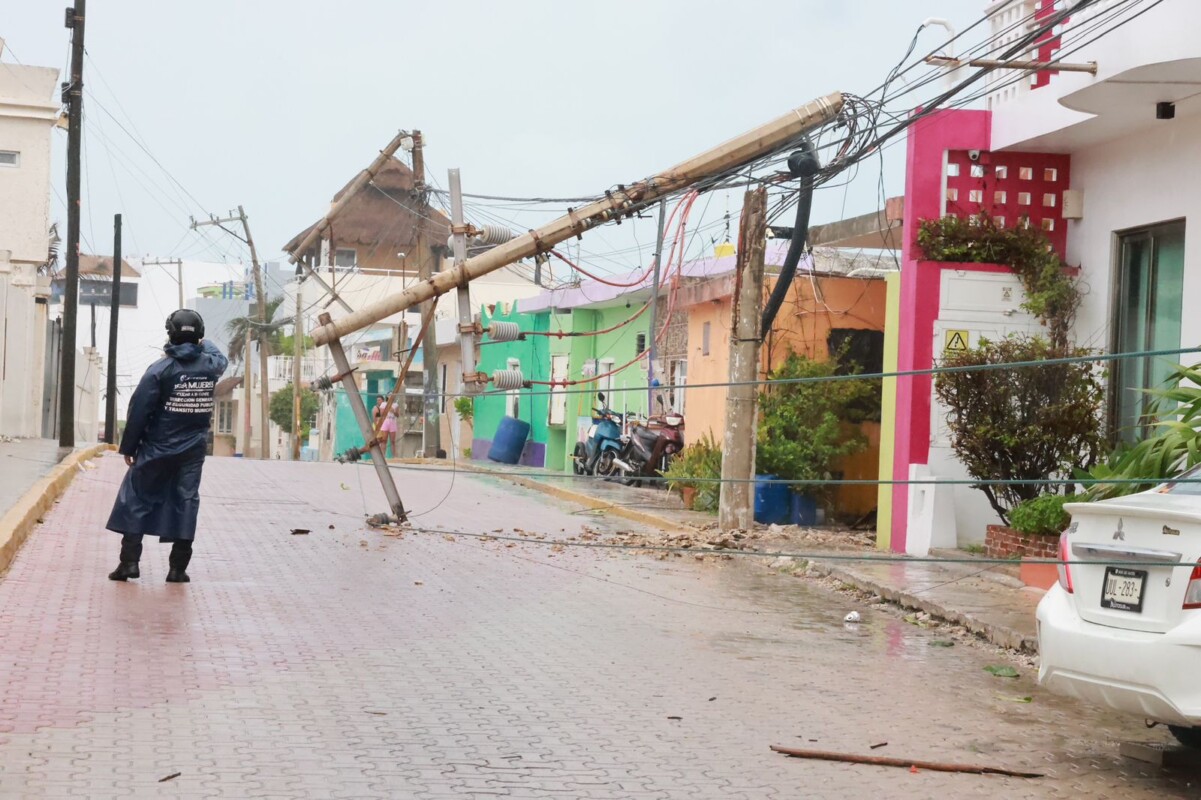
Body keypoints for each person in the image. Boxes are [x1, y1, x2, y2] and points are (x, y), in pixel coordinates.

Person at [106, 309, 228, 583]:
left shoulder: (159, 370)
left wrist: (129, 447)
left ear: (170, 333)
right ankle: (178, 569)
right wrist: (201, 341)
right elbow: (220, 356)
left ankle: (129, 564)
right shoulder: (211, 366)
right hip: (193, 449)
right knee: (186, 500)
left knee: (136, 497)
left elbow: (139, 411)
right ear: (199, 335)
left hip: (157, 447)